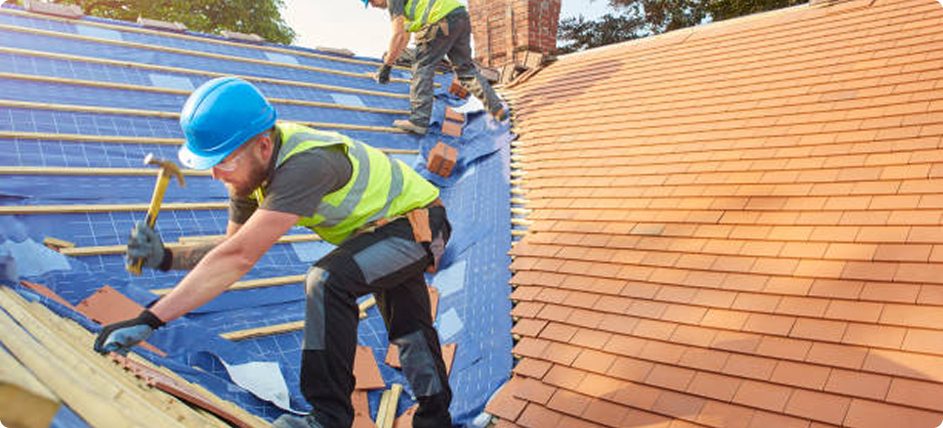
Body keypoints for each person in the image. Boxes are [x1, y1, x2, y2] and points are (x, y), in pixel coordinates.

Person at [93, 76, 454, 428]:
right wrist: (166, 257)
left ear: (263, 146)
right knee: (410, 331)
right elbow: (230, 249)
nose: (217, 175)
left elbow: (239, 259)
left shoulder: (306, 165)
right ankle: (436, 420)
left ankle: (328, 418)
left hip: (421, 226)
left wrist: (150, 319)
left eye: (225, 162)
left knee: (327, 281)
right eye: (210, 165)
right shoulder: (249, 172)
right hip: (384, 232)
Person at [365, 0, 507, 135]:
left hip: (439, 21)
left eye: (372, 1)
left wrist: (386, 67)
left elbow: (397, 34)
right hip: (459, 16)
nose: (373, 5)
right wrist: (390, 63)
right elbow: (403, 38)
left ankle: (419, 121)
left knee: (422, 67)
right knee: (466, 71)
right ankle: (497, 109)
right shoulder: (408, 7)